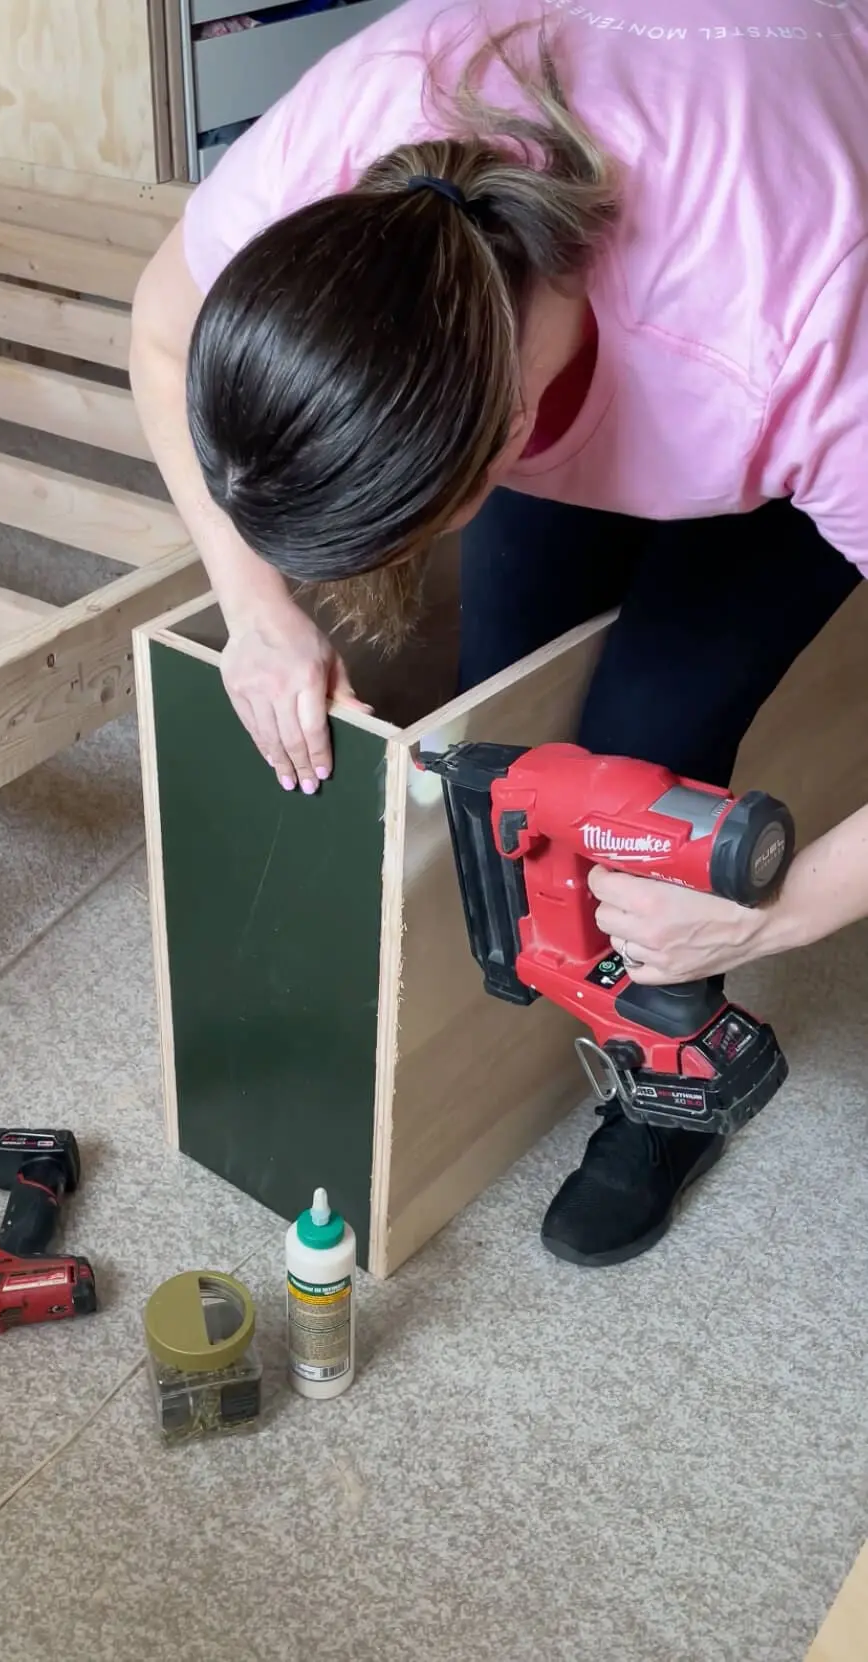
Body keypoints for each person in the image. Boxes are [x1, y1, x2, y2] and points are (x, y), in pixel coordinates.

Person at [131, 0, 868, 1266]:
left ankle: (668, 1091)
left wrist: (782, 909)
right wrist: (256, 609)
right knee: (505, 717)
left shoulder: (796, 330)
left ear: (501, 444)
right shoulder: (353, 146)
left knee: (653, 727)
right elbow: (157, 324)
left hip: (789, 228)